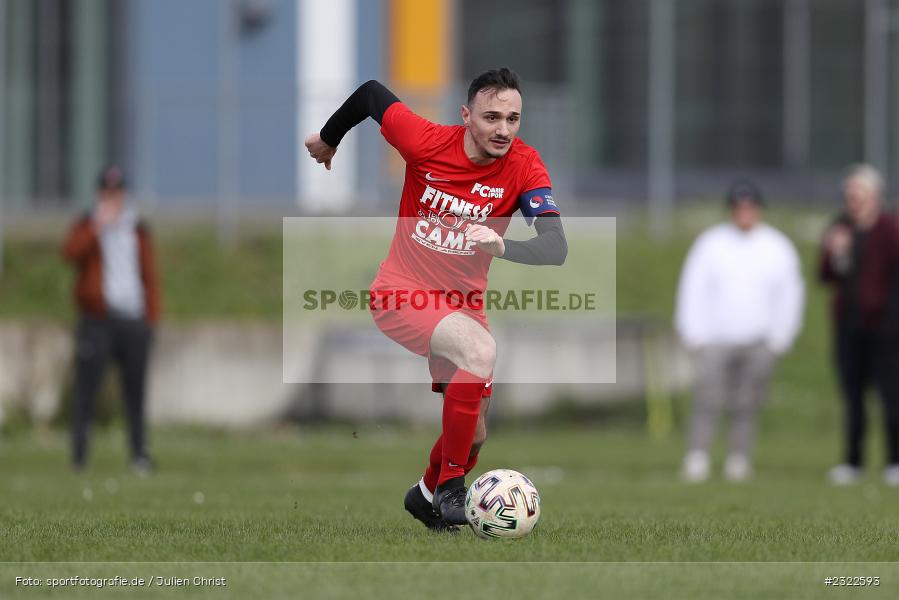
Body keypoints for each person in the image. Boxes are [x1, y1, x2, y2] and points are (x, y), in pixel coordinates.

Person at [304, 68, 567, 530]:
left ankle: (425, 494)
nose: (503, 129)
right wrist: (329, 138)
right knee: (481, 351)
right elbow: (369, 95)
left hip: (463, 307)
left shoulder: (525, 165)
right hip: (400, 292)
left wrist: (505, 247)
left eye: (512, 119)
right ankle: (450, 490)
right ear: (466, 116)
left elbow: (555, 246)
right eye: (491, 117)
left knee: (475, 433)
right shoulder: (425, 142)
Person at [675, 181, 804, 482]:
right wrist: (691, 330)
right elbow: (693, 288)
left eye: (750, 207)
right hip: (715, 340)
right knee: (707, 399)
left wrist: (781, 336)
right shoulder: (711, 243)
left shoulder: (777, 246)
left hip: (759, 341)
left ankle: (738, 457)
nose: (744, 213)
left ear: (758, 209)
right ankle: (698, 456)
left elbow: (790, 293)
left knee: (747, 402)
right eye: (739, 207)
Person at [62, 165, 161, 474]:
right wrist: (97, 226)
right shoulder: (87, 223)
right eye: (107, 192)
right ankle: (79, 457)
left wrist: (151, 318)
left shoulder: (137, 228)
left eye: (117, 192)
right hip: (98, 320)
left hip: (133, 320)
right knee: (87, 391)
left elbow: (149, 275)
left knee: (135, 392)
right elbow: (69, 253)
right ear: (99, 194)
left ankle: (139, 454)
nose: (113, 198)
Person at [819, 164, 899, 486]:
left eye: (859, 195)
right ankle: (853, 461)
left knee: (891, 396)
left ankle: (895, 461)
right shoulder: (840, 229)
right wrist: (837, 253)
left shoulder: (889, 229)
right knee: (853, 396)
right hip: (848, 326)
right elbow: (826, 275)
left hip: (886, 327)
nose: (853, 202)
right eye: (849, 196)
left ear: (875, 196)